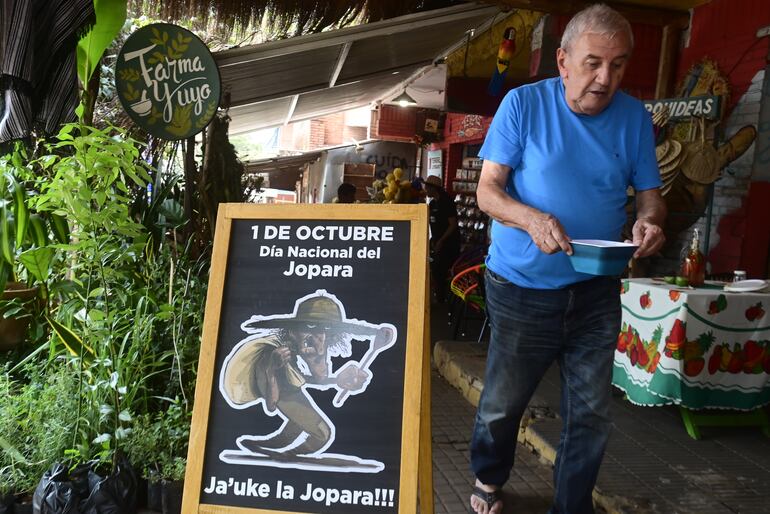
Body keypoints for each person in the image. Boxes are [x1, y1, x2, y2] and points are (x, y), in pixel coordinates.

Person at [469, 5, 666, 514]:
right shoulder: (522, 105)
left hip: (596, 289)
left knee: (592, 411)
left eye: (618, 65)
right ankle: (489, 477)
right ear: (562, 61)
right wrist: (532, 219)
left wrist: (650, 220)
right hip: (520, 286)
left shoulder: (634, 118)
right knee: (502, 405)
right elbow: (488, 193)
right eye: (593, 63)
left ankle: (571, 506)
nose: (605, 78)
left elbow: (649, 194)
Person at [221, 291, 395, 460]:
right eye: (309, 327)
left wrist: (337, 380)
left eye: (326, 330)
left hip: (279, 382)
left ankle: (277, 449)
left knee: (300, 424)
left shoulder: (309, 345)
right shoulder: (274, 354)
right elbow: (272, 404)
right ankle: (286, 456)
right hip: (260, 382)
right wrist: (272, 369)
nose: (318, 338)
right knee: (322, 433)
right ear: (292, 331)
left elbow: (309, 377)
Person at [423, 175, 461, 302]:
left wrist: (441, 241)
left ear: (434, 188)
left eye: (427, 187)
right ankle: (438, 296)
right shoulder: (433, 203)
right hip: (437, 240)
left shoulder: (446, 202)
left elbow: (453, 224)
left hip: (449, 243)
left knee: (441, 270)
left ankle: (443, 299)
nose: (425, 189)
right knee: (434, 268)